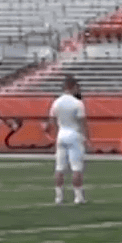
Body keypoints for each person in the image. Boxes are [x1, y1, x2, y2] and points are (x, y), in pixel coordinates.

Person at [48, 75, 90, 205]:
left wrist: (56, 132)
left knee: (59, 168)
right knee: (76, 167)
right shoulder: (77, 103)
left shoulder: (57, 102)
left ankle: (58, 197)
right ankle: (78, 197)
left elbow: (52, 119)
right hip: (74, 134)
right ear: (72, 87)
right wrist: (87, 138)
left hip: (62, 133)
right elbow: (83, 122)